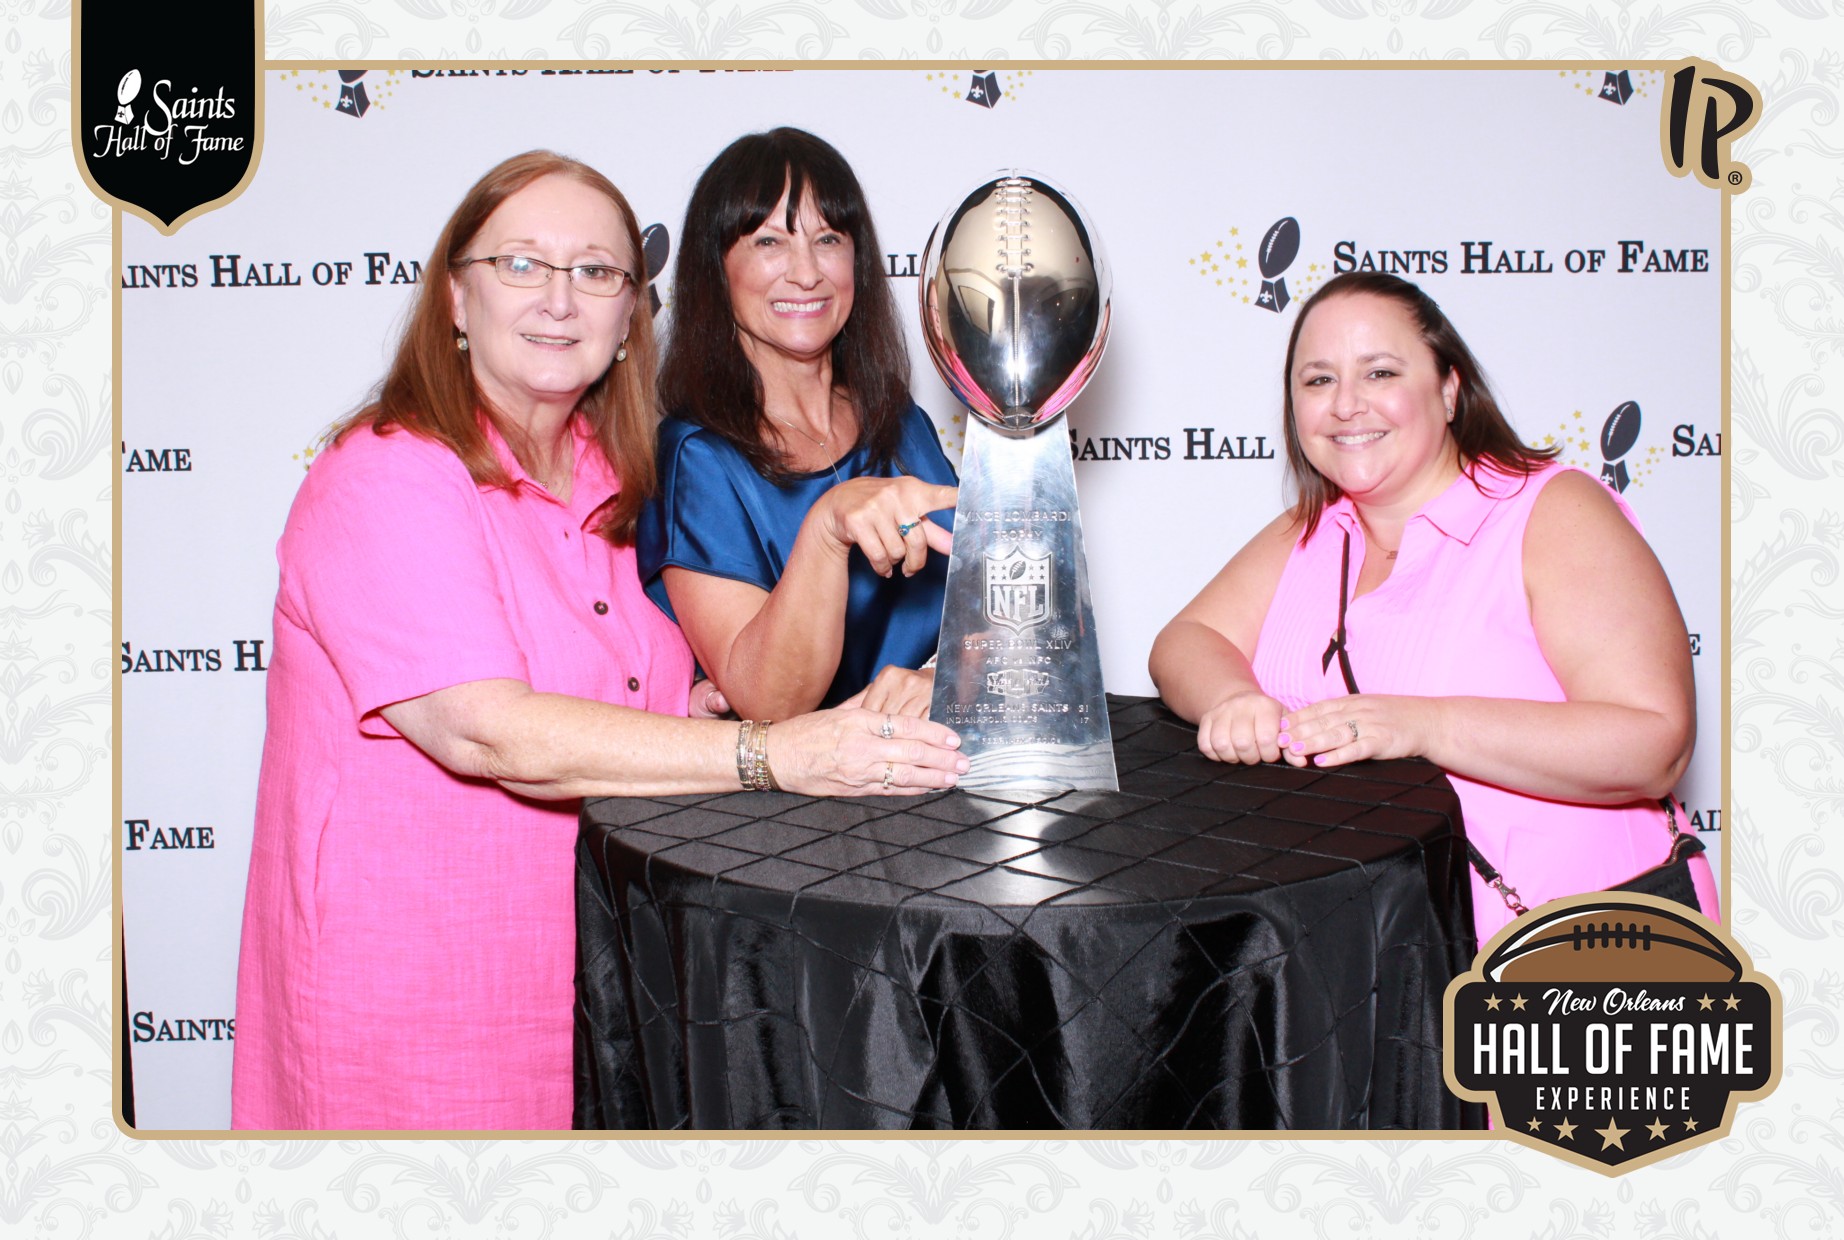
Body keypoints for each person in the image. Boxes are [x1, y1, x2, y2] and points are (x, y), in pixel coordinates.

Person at [232, 151, 968, 1132]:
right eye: (522, 265)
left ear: (631, 316)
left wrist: (683, 707)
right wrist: (768, 751)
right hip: (414, 1005)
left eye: (595, 272)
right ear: (455, 298)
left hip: (591, 981)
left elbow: (605, 687)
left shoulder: (605, 474)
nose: (559, 299)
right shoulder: (386, 476)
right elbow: (486, 731)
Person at [1148, 271, 1715, 943]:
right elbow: (1185, 639)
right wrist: (1233, 698)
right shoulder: (1308, 532)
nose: (1346, 405)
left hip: (1590, 949)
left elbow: (1655, 743)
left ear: (1448, 390)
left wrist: (1424, 726)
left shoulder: (1552, 511)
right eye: (1318, 380)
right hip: (1387, 962)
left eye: (1380, 372)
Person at [639, 127, 957, 723]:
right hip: (784, 806)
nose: (806, 272)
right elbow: (770, 702)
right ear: (716, 270)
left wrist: (939, 678)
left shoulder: (900, 423)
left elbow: (1000, 610)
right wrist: (826, 527)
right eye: (769, 242)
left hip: (939, 768)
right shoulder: (695, 458)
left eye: (828, 238)